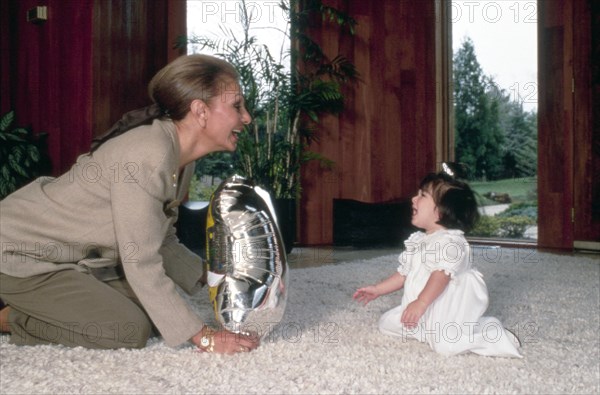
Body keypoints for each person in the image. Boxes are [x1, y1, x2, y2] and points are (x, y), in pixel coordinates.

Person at [0, 54, 259, 354]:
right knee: (128, 330)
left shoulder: (178, 158)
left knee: (156, 313)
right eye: (237, 106)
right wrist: (205, 337)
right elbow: (141, 263)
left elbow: (159, 239)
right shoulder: (149, 155)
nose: (247, 117)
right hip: (22, 253)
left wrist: (214, 275)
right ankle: (11, 317)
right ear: (200, 111)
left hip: (71, 260)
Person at [353, 170, 522, 358]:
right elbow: (403, 274)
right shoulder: (418, 240)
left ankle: (490, 332)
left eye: (422, 196)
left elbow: (439, 276)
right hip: (423, 307)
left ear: (441, 211)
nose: (413, 200)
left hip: (447, 309)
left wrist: (422, 302)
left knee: (446, 346)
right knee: (386, 323)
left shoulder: (451, 243)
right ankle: (426, 328)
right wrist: (377, 289)